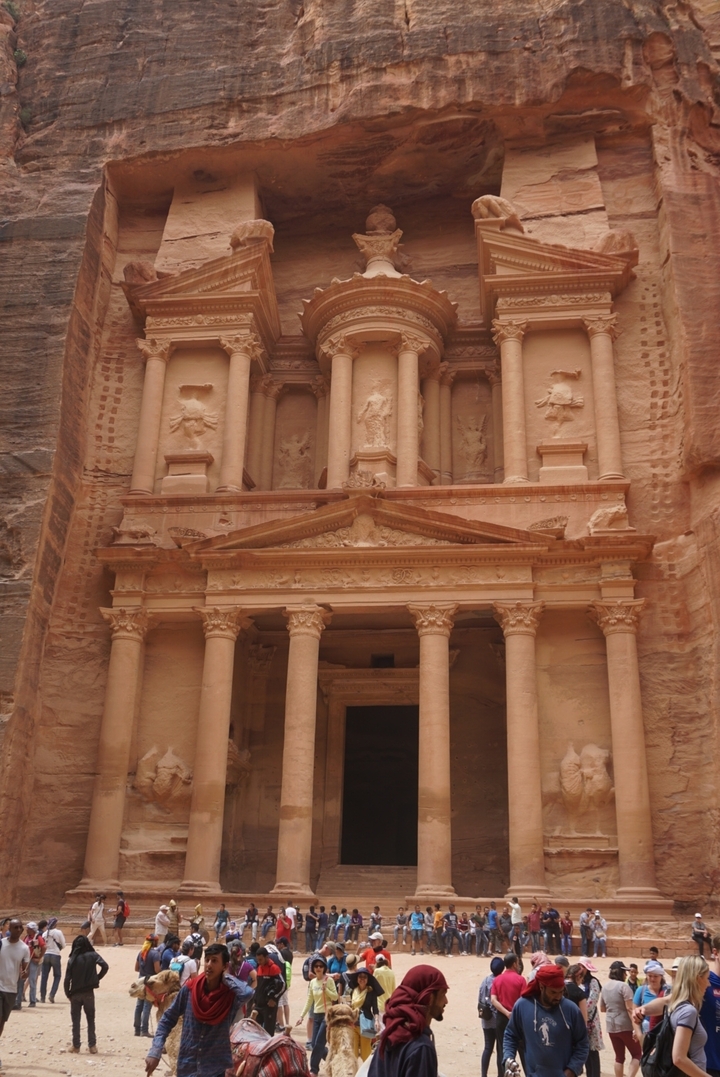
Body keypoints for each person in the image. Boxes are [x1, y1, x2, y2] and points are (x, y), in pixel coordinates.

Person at [145, 942, 253, 1076]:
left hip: (215, 1069)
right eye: (207, 960)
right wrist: (155, 1051)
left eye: (214, 961)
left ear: (225, 966)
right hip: (188, 1067)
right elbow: (167, 1019)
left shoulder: (230, 995)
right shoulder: (190, 990)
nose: (209, 965)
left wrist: (226, 978)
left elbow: (247, 993)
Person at [503, 964, 589, 1077]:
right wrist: (509, 1058)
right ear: (541, 987)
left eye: (561, 991)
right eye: (553, 992)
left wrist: (571, 1070)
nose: (558, 997)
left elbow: (582, 1043)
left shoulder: (571, 1010)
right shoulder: (522, 1006)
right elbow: (510, 1035)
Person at [368, 964, 448, 1077]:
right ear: (429, 998)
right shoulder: (421, 1048)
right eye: (443, 994)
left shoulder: (388, 1034)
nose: (446, 1001)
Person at [666, 956, 710, 1077]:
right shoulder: (688, 1011)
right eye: (707, 978)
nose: (708, 984)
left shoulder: (676, 1006)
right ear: (697, 979)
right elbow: (679, 1058)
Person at [63, 935, 108, 1055]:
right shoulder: (93, 956)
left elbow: (67, 978)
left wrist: (68, 993)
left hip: (75, 993)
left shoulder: (72, 959)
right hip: (89, 993)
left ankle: (76, 1046)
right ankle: (92, 1045)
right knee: (90, 1019)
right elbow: (105, 966)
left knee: (76, 1020)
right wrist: (96, 979)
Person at [296, 954, 339, 1075]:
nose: (318, 968)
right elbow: (309, 1000)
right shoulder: (313, 982)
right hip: (316, 1016)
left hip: (327, 1016)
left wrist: (327, 990)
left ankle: (313, 1070)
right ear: (313, 968)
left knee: (319, 1043)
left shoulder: (329, 980)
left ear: (324, 968)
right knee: (314, 1044)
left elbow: (335, 997)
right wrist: (301, 1016)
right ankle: (333, 1060)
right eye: (316, 966)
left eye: (320, 966)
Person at [601, 960, 641, 1077]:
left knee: (619, 1057)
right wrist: (636, 1027)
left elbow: (603, 1008)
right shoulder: (624, 986)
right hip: (625, 1024)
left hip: (611, 1025)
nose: (626, 975)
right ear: (620, 972)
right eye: (624, 972)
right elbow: (629, 1009)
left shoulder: (605, 987)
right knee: (637, 1054)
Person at [0, 918, 29, 1067]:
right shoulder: (1, 944)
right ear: (9, 929)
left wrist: (24, 974)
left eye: (20, 927)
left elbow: (25, 971)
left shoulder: (24, 948)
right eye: (15, 927)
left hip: (11, 989)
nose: (19, 929)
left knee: (2, 1022)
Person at [491, 952, 526, 1068]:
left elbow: (493, 1000)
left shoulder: (497, 979)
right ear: (514, 964)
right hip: (518, 1018)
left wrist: (506, 1013)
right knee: (523, 1049)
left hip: (502, 1017)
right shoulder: (520, 980)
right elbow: (523, 1000)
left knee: (502, 1049)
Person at [348, 966, 384, 1064]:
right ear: (357, 979)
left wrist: (376, 1020)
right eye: (360, 977)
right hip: (353, 1024)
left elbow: (375, 1009)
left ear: (368, 979)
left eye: (365, 977)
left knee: (366, 1054)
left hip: (366, 1026)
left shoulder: (371, 993)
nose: (362, 979)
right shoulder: (353, 992)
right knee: (353, 1053)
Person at [578, 958, 604, 1077]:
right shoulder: (578, 982)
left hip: (591, 1022)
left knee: (593, 1052)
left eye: (582, 966)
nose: (580, 969)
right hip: (581, 1021)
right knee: (585, 1052)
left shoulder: (593, 982)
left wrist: (580, 1012)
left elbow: (592, 1002)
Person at [479, 956, 504, 1077]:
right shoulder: (501, 981)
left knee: (488, 1047)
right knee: (500, 1050)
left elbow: (480, 998)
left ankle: (483, 1074)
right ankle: (500, 1074)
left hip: (486, 1018)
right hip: (498, 1019)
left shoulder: (485, 980)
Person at [254, 946, 286, 1034]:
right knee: (256, 1032)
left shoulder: (274, 968)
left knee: (268, 1033)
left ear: (267, 957)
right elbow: (259, 986)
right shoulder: (259, 967)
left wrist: (274, 999)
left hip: (269, 1006)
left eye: (260, 959)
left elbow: (283, 985)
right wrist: (255, 1000)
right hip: (258, 1005)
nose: (259, 962)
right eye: (258, 960)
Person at [134, 934, 161, 1037]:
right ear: (154, 942)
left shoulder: (141, 952)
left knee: (139, 1005)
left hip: (140, 981)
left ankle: (137, 1029)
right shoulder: (155, 954)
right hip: (150, 982)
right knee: (147, 1006)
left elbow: (136, 968)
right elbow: (157, 970)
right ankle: (144, 1030)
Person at [634, 960, 668, 1032]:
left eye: (655, 976)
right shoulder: (640, 991)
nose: (652, 979)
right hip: (646, 1033)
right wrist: (638, 1034)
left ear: (661, 976)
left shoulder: (667, 991)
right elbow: (634, 1015)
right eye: (650, 976)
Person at [40, 916, 66, 1003]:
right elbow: (64, 944)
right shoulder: (58, 932)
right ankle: (52, 995)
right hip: (55, 955)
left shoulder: (44, 933)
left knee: (44, 976)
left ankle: (42, 997)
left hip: (46, 955)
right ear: (55, 924)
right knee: (57, 976)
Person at [19, 922, 44, 1008]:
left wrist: (39, 957)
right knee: (22, 979)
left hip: (32, 961)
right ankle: (19, 999)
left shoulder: (38, 937)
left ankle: (32, 1001)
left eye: (28, 928)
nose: (26, 930)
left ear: (32, 930)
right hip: (25, 961)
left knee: (32, 980)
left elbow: (44, 947)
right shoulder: (26, 937)